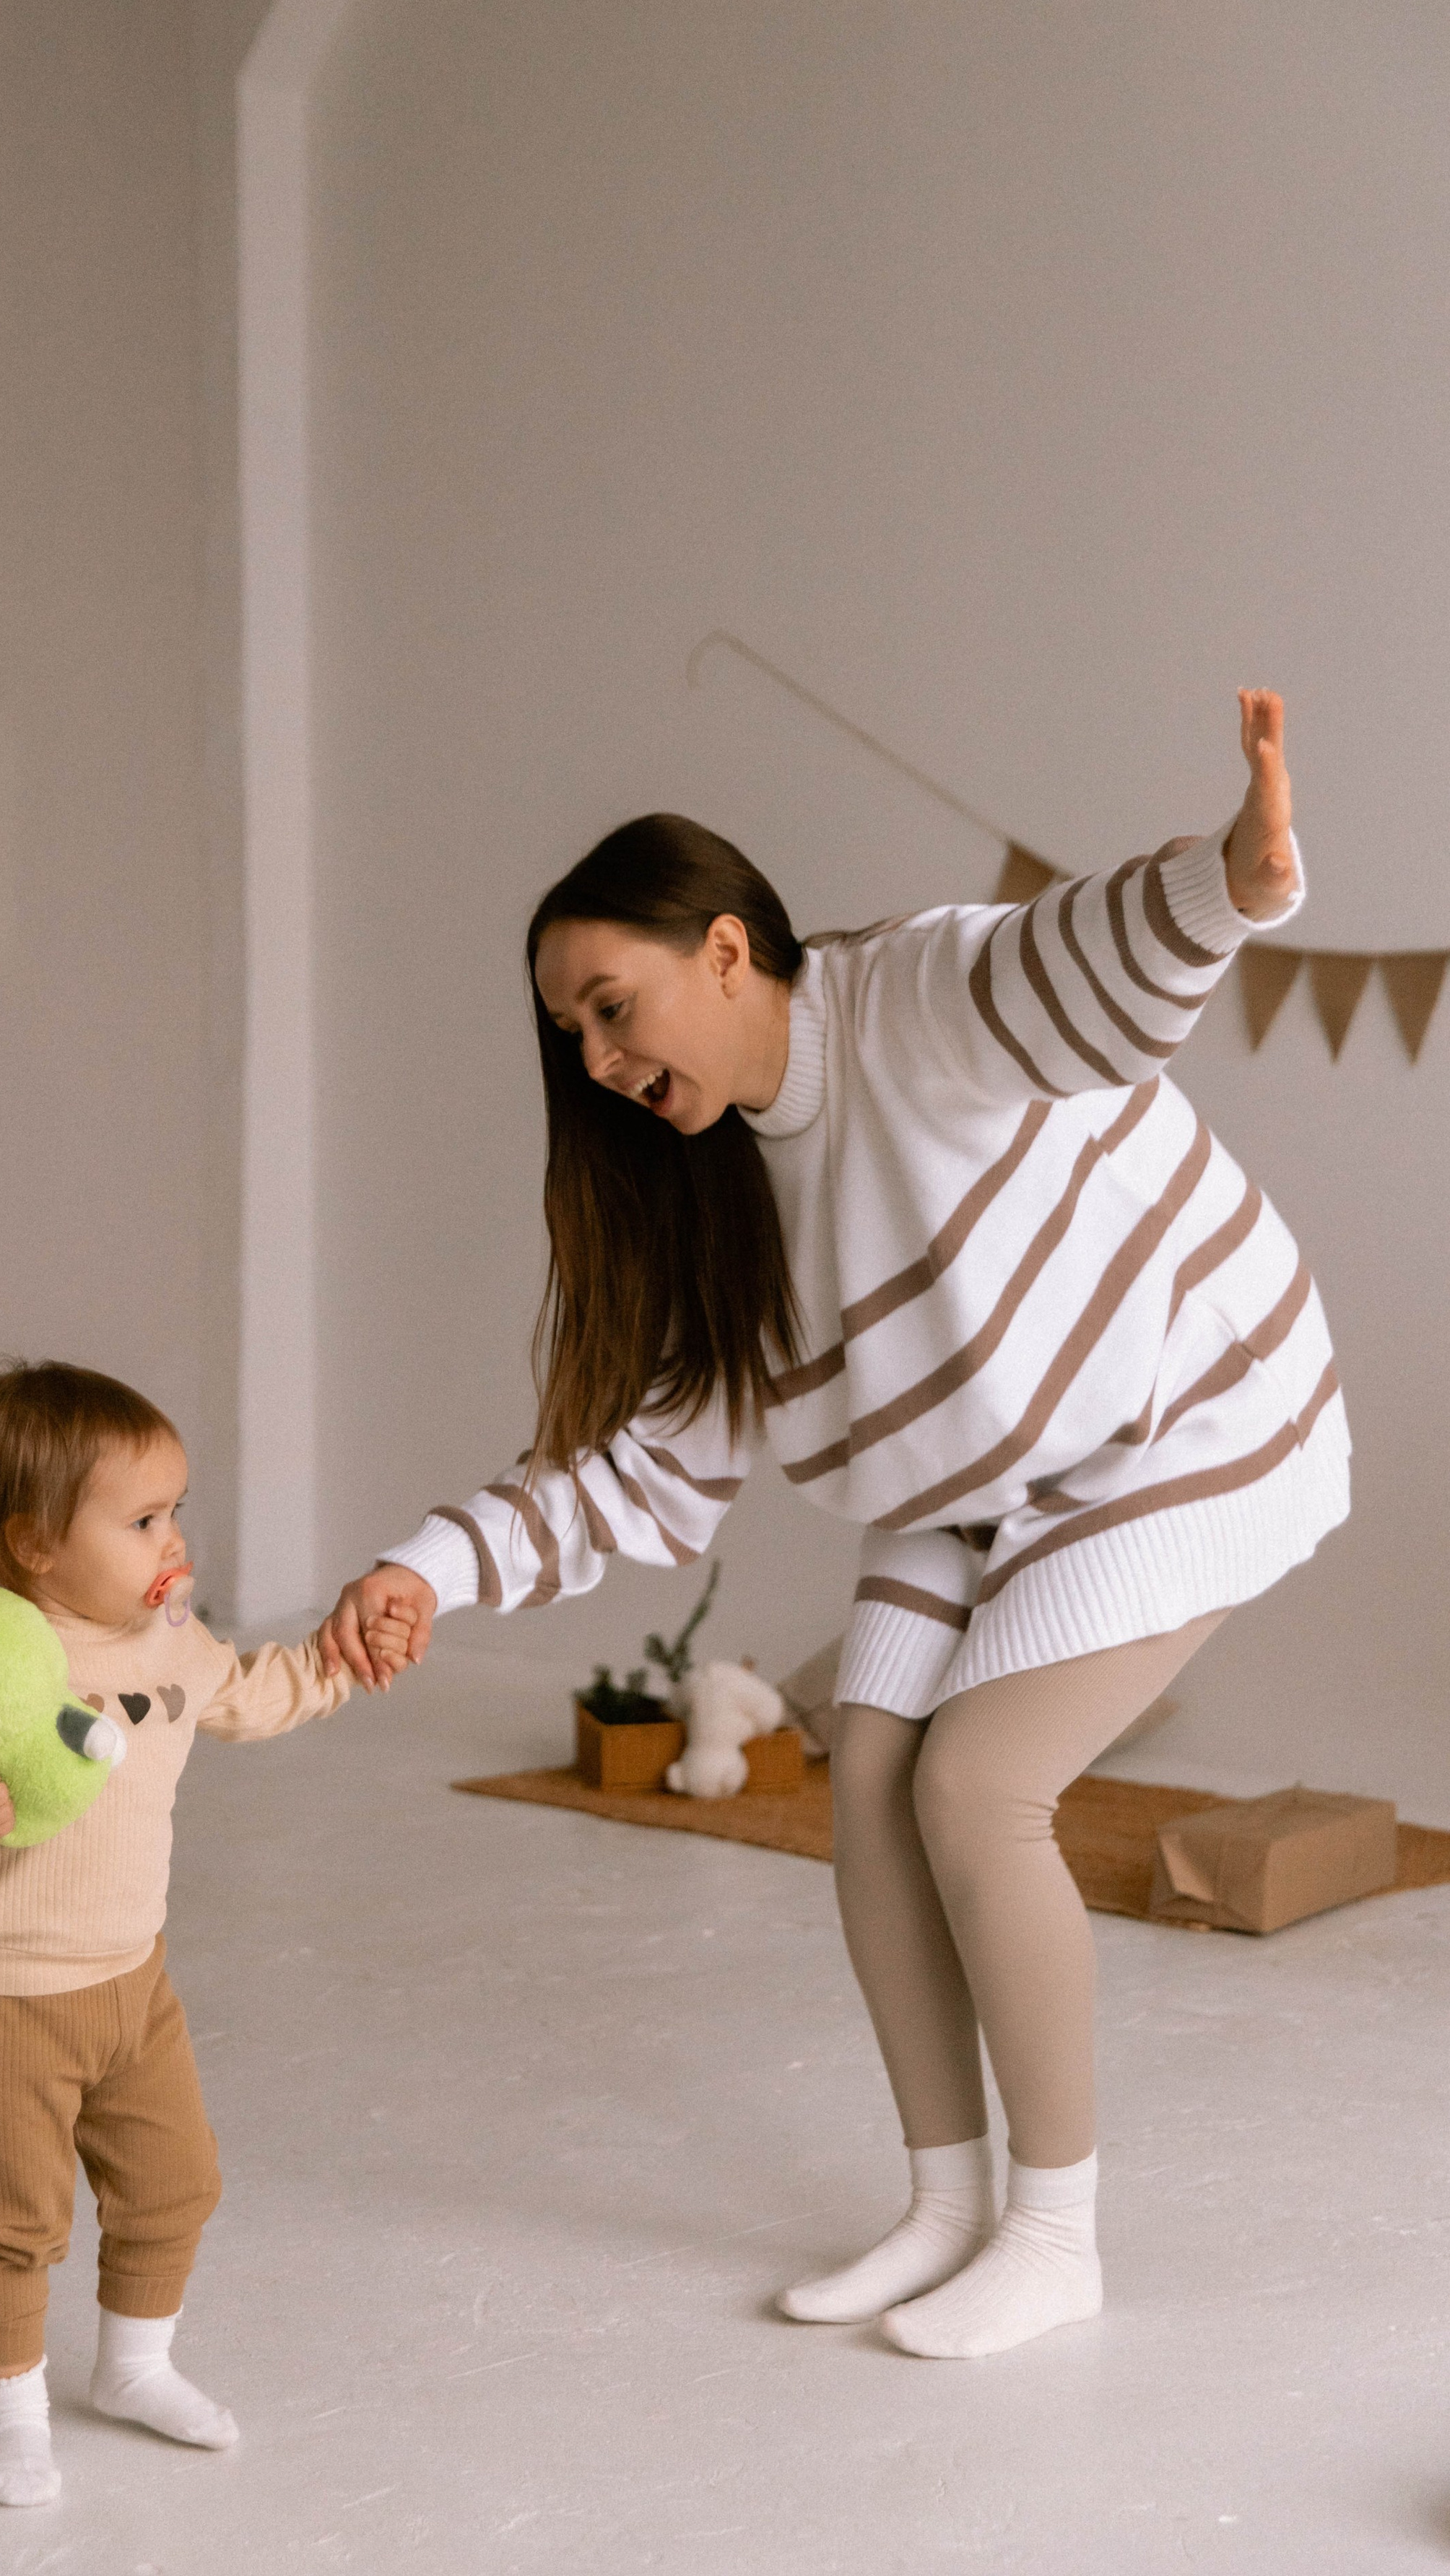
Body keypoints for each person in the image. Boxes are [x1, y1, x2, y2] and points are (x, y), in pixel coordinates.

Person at [321, 692, 1347, 2361]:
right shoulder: (711, 1190)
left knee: (976, 1785)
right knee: (865, 1788)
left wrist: (1230, 879)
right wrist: (419, 1568)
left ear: (726, 950)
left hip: (1181, 1412)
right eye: (568, 1035)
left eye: (612, 1004)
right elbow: (638, 1466)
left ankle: (1054, 2234)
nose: (594, 1059)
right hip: (967, 1473)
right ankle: (945, 2204)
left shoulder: (909, 1000)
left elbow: (1078, 964)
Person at [0, 1360, 408, 2506]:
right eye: (143, 1518)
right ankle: (11, 2409)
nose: (173, 1540)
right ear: (33, 1543)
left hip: (132, 1981)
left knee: (175, 2183)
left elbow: (259, 1692)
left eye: (177, 1510)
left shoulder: (168, 1642)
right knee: (12, 2221)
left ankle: (135, 2367)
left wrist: (347, 1662)